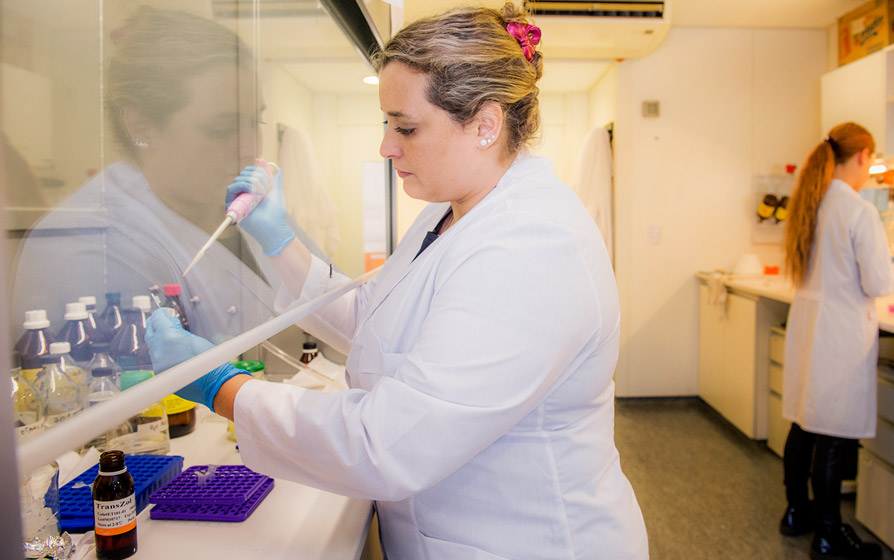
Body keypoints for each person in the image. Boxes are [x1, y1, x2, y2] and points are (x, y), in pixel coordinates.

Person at [145, 4, 649, 558]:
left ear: (485, 124)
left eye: (405, 126)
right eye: (386, 123)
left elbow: (388, 444)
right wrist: (278, 241)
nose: (386, 146)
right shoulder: (451, 212)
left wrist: (217, 385)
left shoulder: (532, 247)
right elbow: (376, 320)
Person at [11, 6, 284, 344]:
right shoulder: (87, 246)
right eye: (221, 128)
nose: (250, 147)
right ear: (141, 125)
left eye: (255, 122)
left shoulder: (251, 208)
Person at [779, 122, 894, 560]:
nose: (870, 171)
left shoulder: (811, 202)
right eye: (871, 161)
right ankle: (829, 534)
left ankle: (797, 513)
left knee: (804, 422)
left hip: (812, 325)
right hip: (839, 332)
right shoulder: (857, 210)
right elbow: (876, 280)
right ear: (862, 155)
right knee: (833, 433)